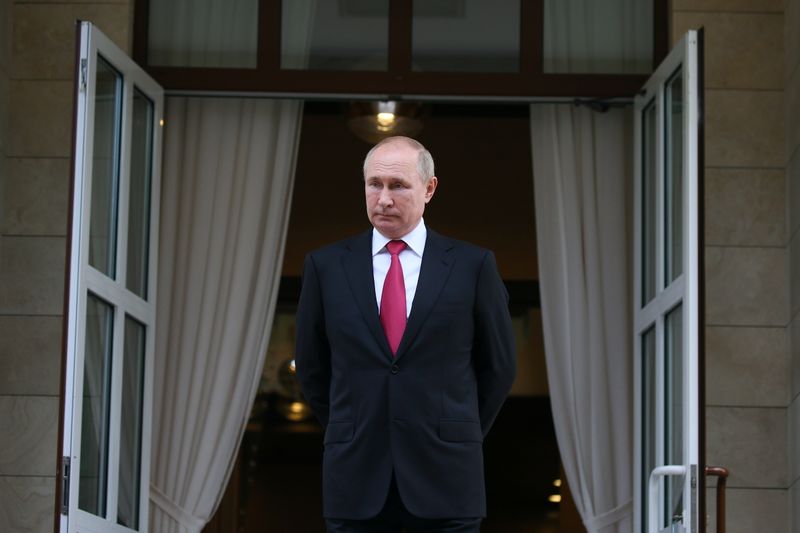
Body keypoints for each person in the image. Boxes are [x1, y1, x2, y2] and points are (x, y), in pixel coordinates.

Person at [295, 136, 516, 533]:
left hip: (447, 482)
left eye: (398, 186)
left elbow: (498, 368)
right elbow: (312, 369)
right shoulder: (324, 267)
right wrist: (355, 426)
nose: (383, 199)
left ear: (429, 189)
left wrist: (452, 429)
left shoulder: (473, 266)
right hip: (355, 480)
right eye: (373, 184)